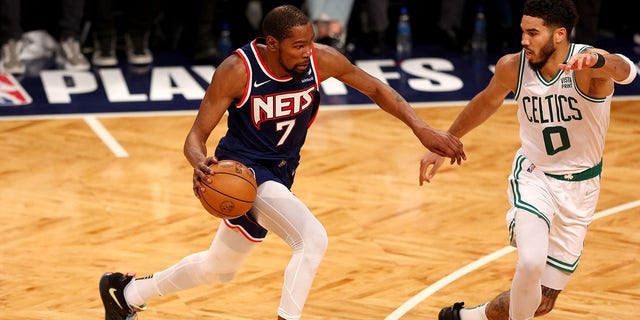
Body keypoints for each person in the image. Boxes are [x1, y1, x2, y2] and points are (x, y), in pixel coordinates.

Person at [98, 4, 465, 320]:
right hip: (243, 171)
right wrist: (199, 163)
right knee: (312, 239)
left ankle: (127, 294)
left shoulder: (321, 60)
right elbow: (194, 137)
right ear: (272, 43)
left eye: (309, 42)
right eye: (298, 45)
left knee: (219, 268)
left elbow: (377, 89)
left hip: (281, 172)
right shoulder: (238, 71)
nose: (308, 52)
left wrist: (421, 128)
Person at [418, 0, 637, 319]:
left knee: (542, 302)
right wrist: (444, 143)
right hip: (536, 177)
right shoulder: (514, 66)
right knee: (531, 262)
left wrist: (599, 59)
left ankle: (466, 317)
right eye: (522, 31)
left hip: (582, 188)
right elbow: (486, 101)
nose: (524, 39)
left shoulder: (588, 66)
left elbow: (625, 70)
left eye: (533, 33)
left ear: (559, 34)